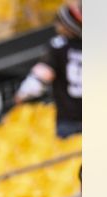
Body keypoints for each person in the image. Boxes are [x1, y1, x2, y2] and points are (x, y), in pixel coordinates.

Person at [14, 2, 81, 138]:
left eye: (59, 22)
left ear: (68, 25)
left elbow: (43, 74)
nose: (56, 26)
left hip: (69, 120)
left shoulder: (58, 45)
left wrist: (24, 93)